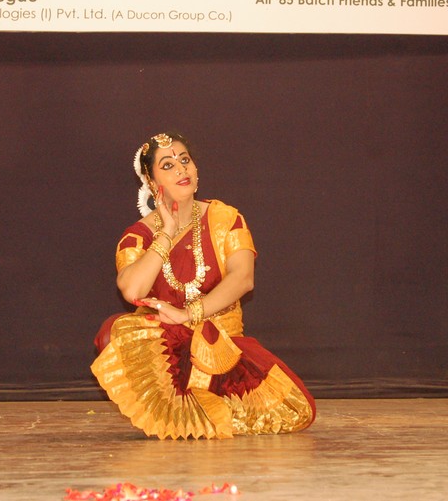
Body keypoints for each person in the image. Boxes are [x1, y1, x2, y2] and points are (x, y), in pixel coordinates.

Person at [91, 132, 316, 439]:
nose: (181, 169)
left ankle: (200, 411)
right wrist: (166, 233)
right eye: (167, 165)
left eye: (185, 160)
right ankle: (182, 411)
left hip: (222, 345)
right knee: (113, 332)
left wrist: (189, 314)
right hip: (167, 352)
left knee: (295, 409)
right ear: (152, 181)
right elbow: (132, 291)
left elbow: (243, 278)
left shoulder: (226, 218)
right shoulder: (137, 236)